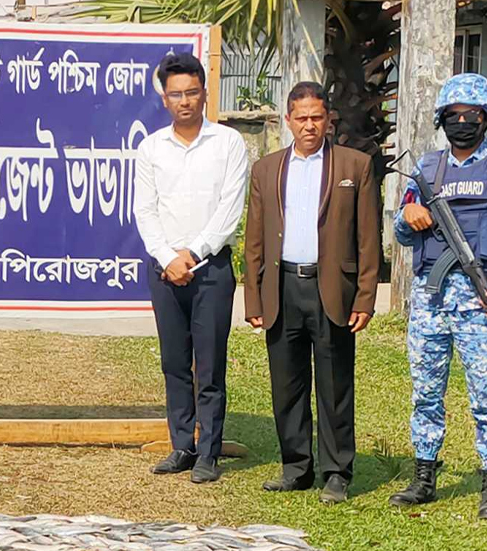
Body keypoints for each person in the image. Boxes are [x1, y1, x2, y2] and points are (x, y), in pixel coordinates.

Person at [391, 73, 487, 522]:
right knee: (425, 392)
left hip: (480, 301)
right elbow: (401, 232)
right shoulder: (427, 168)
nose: (462, 122)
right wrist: (409, 213)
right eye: (453, 115)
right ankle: (424, 476)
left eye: (471, 115)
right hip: (430, 301)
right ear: (441, 119)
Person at [243, 81, 379, 504]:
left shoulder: (354, 166)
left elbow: (368, 237)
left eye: (316, 117)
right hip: (282, 286)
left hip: (331, 288)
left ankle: (336, 471)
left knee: (335, 383)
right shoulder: (267, 169)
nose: (308, 126)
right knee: (287, 383)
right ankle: (295, 467)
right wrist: (253, 298)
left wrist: (365, 296)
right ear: (288, 121)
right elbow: (254, 241)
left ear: (328, 120)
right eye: (300, 118)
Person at [132, 50, 249, 484]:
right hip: (165, 271)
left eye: (192, 93)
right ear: (164, 98)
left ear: (204, 94)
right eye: (175, 94)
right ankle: (182, 445)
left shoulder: (228, 143)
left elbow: (229, 209)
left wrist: (193, 256)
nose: (184, 101)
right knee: (175, 362)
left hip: (210, 269)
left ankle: (208, 452)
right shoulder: (150, 148)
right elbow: (145, 211)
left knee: (210, 363)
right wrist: (168, 258)